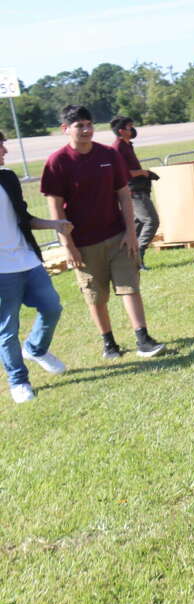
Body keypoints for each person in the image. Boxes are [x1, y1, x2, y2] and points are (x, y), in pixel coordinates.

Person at [41, 105, 165, 360]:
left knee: (130, 286)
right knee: (95, 296)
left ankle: (143, 338)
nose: (87, 130)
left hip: (117, 236)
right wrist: (68, 246)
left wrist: (131, 232)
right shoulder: (57, 162)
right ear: (66, 129)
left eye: (89, 124)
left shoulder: (109, 154)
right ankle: (109, 344)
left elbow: (124, 195)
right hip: (83, 244)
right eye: (80, 126)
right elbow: (55, 209)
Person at [1, 130, 71, 402]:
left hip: (27, 260)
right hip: (1, 271)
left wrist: (55, 224)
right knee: (7, 329)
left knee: (52, 307)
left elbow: (23, 217)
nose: (5, 152)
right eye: (1, 146)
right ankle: (18, 381)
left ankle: (35, 348)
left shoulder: (7, 178)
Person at [109, 115, 159, 267]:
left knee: (137, 224)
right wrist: (143, 173)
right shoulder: (117, 148)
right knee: (151, 221)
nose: (133, 129)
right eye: (130, 127)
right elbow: (124, 173)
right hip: (132, 191)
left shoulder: (127, 145)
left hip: (139, 188)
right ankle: (139, 254)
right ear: (121, 131)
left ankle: (130, 260)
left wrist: (144, 174)